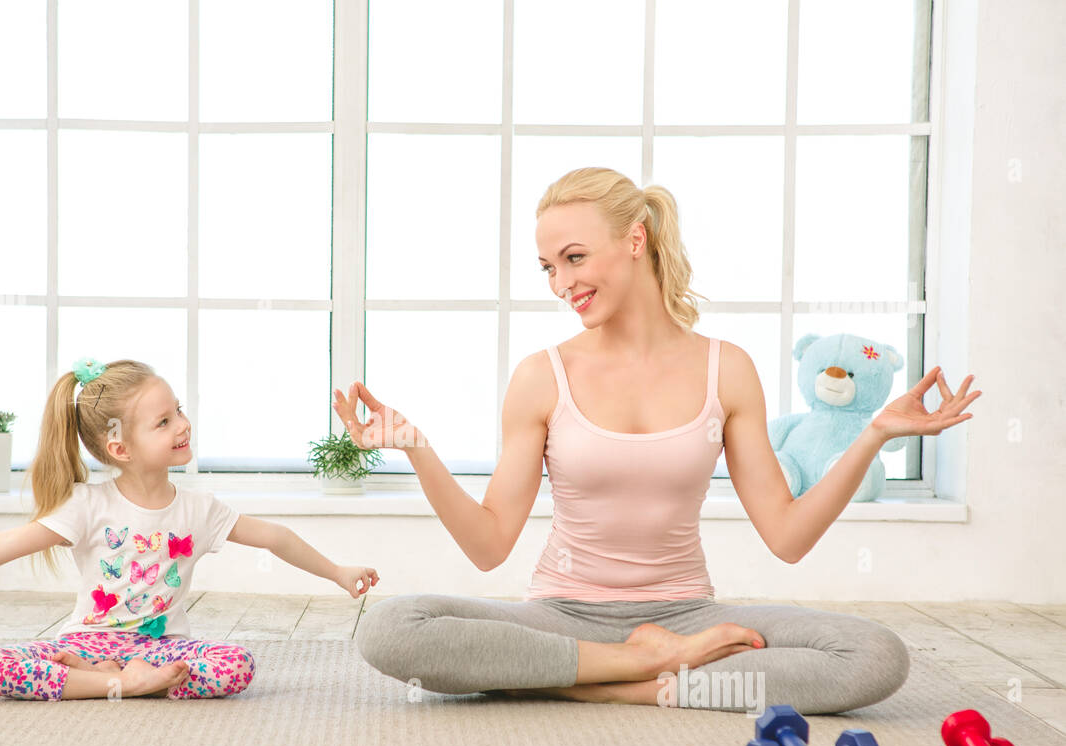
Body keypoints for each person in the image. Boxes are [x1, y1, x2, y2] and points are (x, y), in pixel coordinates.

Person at [334, 166, 980, 714]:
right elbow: (487, 546)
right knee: (393, 629)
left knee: (872, 655)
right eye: (548, 267)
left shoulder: (725, 368)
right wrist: (418, 448)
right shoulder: (542, 375)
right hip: (562, 614)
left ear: (635, 239)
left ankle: (592, 682)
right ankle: (640, 678)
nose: (562, 284)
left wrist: (872, 435)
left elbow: (788, 536)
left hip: (688, 617)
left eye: (575, 258)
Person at [0, 357, 379, 701]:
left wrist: (337, 572)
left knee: (236, 665)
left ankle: (130, 680)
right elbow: (7, 544)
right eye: (162, 422)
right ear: (120, 448)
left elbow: (276, 538)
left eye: (178, 409)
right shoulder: (88, 506)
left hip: (165, 648)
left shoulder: (199, 510)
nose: (182, 424)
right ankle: (117, 685)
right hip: (85, 647)